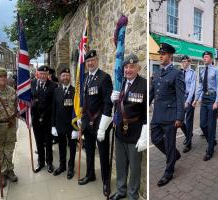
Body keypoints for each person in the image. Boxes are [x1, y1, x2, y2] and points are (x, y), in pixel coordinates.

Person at [109, 53, 147, 200]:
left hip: (135, 132)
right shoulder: (120, 83)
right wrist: (112, 100)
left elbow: (145, 113)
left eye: (132, 66)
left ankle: (133, 195)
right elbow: (118, 106)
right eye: (126, 67)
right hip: (119, 131)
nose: (128, 70)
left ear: (138, 67)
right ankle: (121, 190)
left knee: (135, 168)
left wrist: (144, 136)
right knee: (120, 164)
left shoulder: (143, 85)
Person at [77, 50, 113, 197]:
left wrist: (103, 126)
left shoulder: (104, 77)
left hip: (99, 123)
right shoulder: (85, 78)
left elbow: (107, 103)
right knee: (89, 151)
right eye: (88, 61)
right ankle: (90, 174)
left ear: (97, 61)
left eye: (93, 60)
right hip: (87, 122)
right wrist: (81, 117)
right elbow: (84, 100)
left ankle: (106, 181)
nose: (90, 63)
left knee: (103, 154)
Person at [150, 43, 185, 187]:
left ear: (169, 57)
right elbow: (152, 92)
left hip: (170, 116)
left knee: (170, 144)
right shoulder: (157, 73)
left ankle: (169, 171)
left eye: (163, 54)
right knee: (155, 139)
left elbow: (180, 97)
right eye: (160, 54)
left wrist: (179, 117)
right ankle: (174, 155)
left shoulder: (177, 73)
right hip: (157, 114)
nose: (160, 56)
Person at [192, 51, 218, 161]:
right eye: (203, 57)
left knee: (211, 124)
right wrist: (196, 99)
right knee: (203, 124)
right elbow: (200, 85)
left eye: (207, 57)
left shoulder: (216, 69)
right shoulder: (202, 70)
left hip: (212, 98)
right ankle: (211, 140)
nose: (204, 58)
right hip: (204, 99)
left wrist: (217, 101)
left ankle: (210, 150)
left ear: (211, 58)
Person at [0, 67, 18, 187]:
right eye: (0, 76)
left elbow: (17, 106)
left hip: (10, 125)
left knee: (9, 149)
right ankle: (2, 173)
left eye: (4, 76)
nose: (3, 78)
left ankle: (9, 170)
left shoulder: (12, 91)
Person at [51, 68, 77, 179]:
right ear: (60, 77)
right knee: (61, 146)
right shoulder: (56, 91)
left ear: (70, 77)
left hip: (72, 126)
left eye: (67, 75)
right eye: (63, 75)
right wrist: (53, 125)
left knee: (72, 147)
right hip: (60, 125)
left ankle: (71, 167)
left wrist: (77, 129)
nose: (65, 77)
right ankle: (62, 166)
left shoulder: (75, 91)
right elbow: (53, 109)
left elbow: (77, 111)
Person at [31, 65, 57, 173]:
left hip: (47, 119)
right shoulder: (32, 83)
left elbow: (53, 103)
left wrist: (45, 115)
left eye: (45, 74)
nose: (43, 75)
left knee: (48, 141)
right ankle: (40, 162)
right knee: (39, 141)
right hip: (36, 119)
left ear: (48, 75)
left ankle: (49, 162)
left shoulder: (53, 86)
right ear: (38, 73)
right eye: (41, 73)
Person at [180, 55, 196, 153]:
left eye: (186, 61)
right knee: (180, 119)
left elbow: (193, 88)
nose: (184, 63)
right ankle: (188, 134)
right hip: (181, 98)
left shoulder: (193, 73)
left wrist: (188, 101)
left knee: (189, 121)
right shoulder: (179, 72)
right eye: (183, 61)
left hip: (189, 97)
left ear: (189, 62)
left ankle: (188, 144)